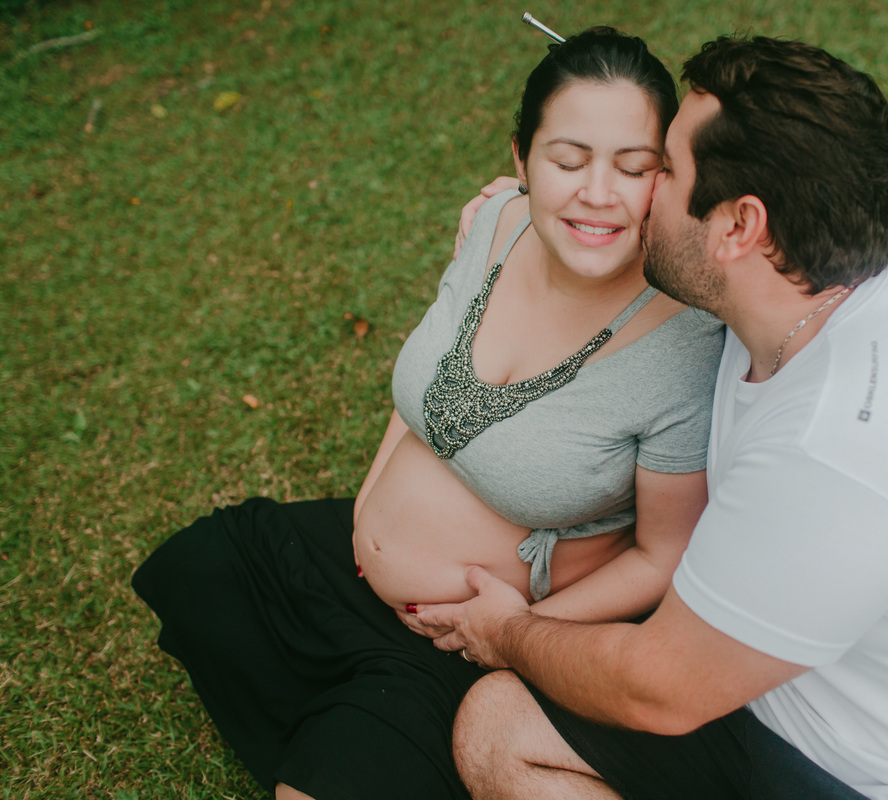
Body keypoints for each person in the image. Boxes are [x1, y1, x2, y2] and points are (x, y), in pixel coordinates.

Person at [420, 36, 888, 800]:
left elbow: (659, 689)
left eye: (664, 167)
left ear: (737, 228)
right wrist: (514, 213)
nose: (640, 188)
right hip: (795, 712)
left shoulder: (842, 448)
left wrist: (507, 633)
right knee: (504, 727)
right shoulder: (802, 290)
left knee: (505, 711)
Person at [131, 27, 725, 800]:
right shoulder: (496, 225)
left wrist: (509, 633)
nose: (597, 194)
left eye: (634, 167)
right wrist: (370, 507)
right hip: (355, 566)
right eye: (568, 160)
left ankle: (377, 736)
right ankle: (366, 735)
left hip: (461, 638)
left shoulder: (683, 345)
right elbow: (424, 395)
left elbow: (664, 556)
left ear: (668, 177)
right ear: (522, 159)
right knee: (200, 568)